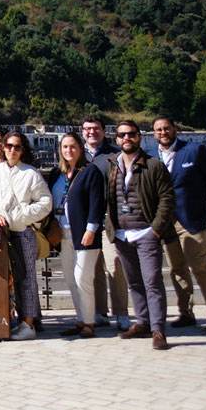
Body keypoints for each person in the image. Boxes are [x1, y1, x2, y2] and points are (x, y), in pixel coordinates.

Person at [153, 115, 206, 333]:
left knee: (200, 267)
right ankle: (186, 313)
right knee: (176, 269)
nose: (163, 133)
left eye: (166, 128)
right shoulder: (151, 156)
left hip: (192, 219)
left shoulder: (194, 151)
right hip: (166, 222)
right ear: (154, 134)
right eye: (158, 130)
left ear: (175, 130)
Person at [105, 120, 176, 350]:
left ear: (139, 137)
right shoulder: (111, 165)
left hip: (146, 232)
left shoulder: (153, 165)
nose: (127, 138)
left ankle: (158, 329)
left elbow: (167, 198)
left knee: (152, 281)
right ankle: (142, 323)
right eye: (122, 135)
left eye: (132, 134)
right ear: (116, 139)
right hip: (123, 234)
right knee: (134, 283)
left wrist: (155, 229)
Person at [0, 131, 52, 341]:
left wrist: (24, 215)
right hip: (0, 233)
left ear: (23, 150)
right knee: (3, 278)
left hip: (22, 232)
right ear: (3, 147)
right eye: (9, 145)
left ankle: (28, 324)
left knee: (27, 278)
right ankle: (7, 321)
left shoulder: (31, 173)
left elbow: (46, 202)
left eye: (17, 146)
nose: (12, 150)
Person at [47, 132, 105, 338]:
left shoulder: (91, 172)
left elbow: (97, 203)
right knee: (71, 280)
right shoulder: (56, 174)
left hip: (84, 233)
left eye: (73, 147)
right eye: (65, 147)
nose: (68, 151)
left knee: (83, 278)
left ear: (80, 149)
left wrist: (91, 229)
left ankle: (89, 322)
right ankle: (80, 319)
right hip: (62, 233)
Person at [82, 115, 131, 331]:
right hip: (85, 222)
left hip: (110, 220)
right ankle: (99, 312)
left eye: (96, 128)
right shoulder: (75, 153)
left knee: (115, 266)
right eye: (87, 129)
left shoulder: (115, 154)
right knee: (92, 269)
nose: (91, 132)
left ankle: (121, 313)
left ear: (104, 130)